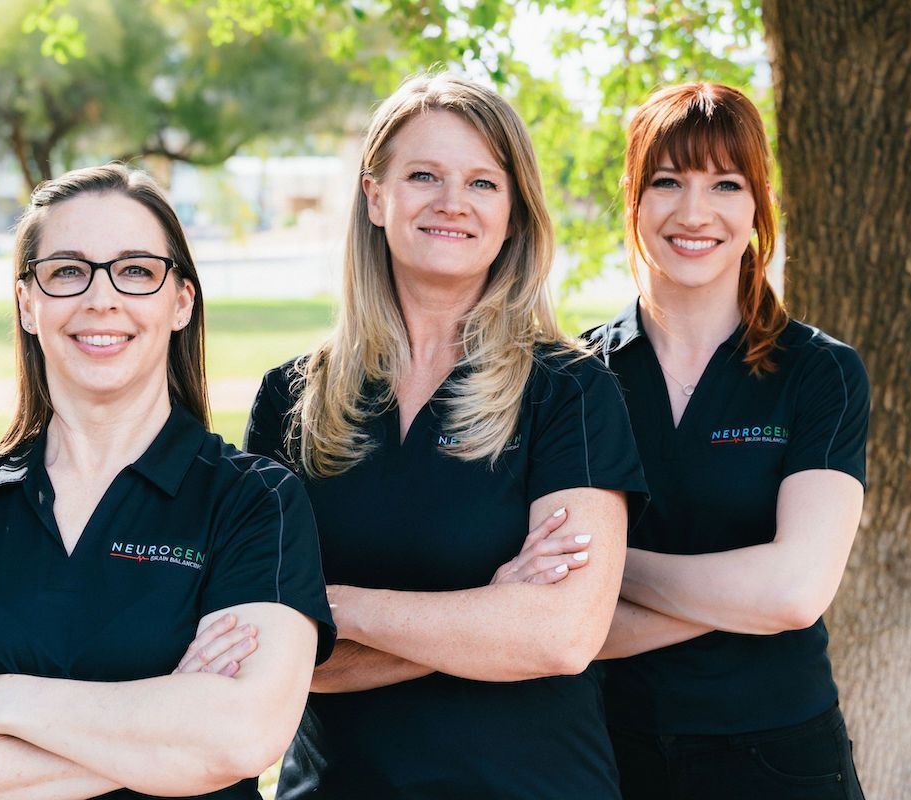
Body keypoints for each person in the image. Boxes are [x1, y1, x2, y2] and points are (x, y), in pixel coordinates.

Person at [0, 164, 336, 800]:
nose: (101, 299)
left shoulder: (254, 502)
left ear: (181, 300)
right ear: (28, 302)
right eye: (67, 272)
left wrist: (0, 700)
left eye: (136, 270)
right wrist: (166, 737)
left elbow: (240, 737)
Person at [235, 73, 647, 800]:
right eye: (423, 174)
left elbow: (559, 635)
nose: (452, 202)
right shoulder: (290, 400)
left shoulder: (568, 391)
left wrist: (331, 608)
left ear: (514, 214)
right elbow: (258, 654)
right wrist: (486, 611)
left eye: (483, 183)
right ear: (374, 195)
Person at [577, 83, 869, 798]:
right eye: (668, 181)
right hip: (608, 756)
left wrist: (608, 572)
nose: (694, 212)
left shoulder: (820, 373)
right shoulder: (574, 379)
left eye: (726, 184)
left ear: (757, 203)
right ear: (633, 198)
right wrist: (742, 593)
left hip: (779, 757)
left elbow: (796, 593)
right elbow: (563, 627)